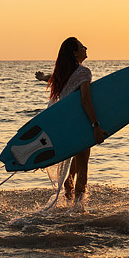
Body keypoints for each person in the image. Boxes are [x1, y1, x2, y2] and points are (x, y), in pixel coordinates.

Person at [45, 37, 107, 211]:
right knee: (83, 166)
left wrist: (44, 77)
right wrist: (96, 125)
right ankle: (78, 208)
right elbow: (86, 99)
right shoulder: (84, 72)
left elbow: (59, 80)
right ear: (75, 53)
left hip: (66, 126)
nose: (85, 48)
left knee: (76, 160)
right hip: (81, 125)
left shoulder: (64, 73)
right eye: (81, 46)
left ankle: (68, 187)